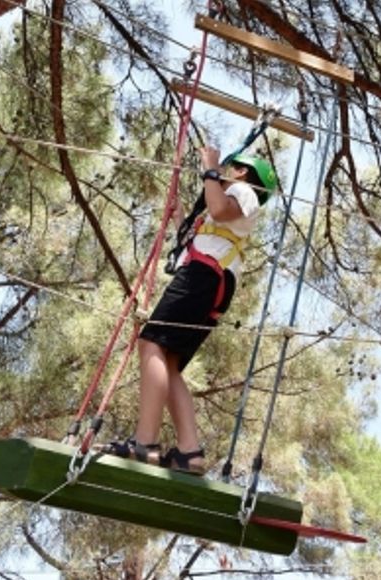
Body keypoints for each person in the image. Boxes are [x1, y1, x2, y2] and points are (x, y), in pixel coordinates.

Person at [105, 146, 278, 474]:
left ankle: (144, 443)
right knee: (169, 364)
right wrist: (181, 215)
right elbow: (210, 226)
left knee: (151, 343)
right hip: (209, 278)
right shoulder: (232, 207)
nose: (223, 172)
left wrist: (211, 168)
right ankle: (189, 452)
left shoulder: (243, 191)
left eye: (229, 168)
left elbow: (218, 206)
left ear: (241, 172)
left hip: (203, 277)